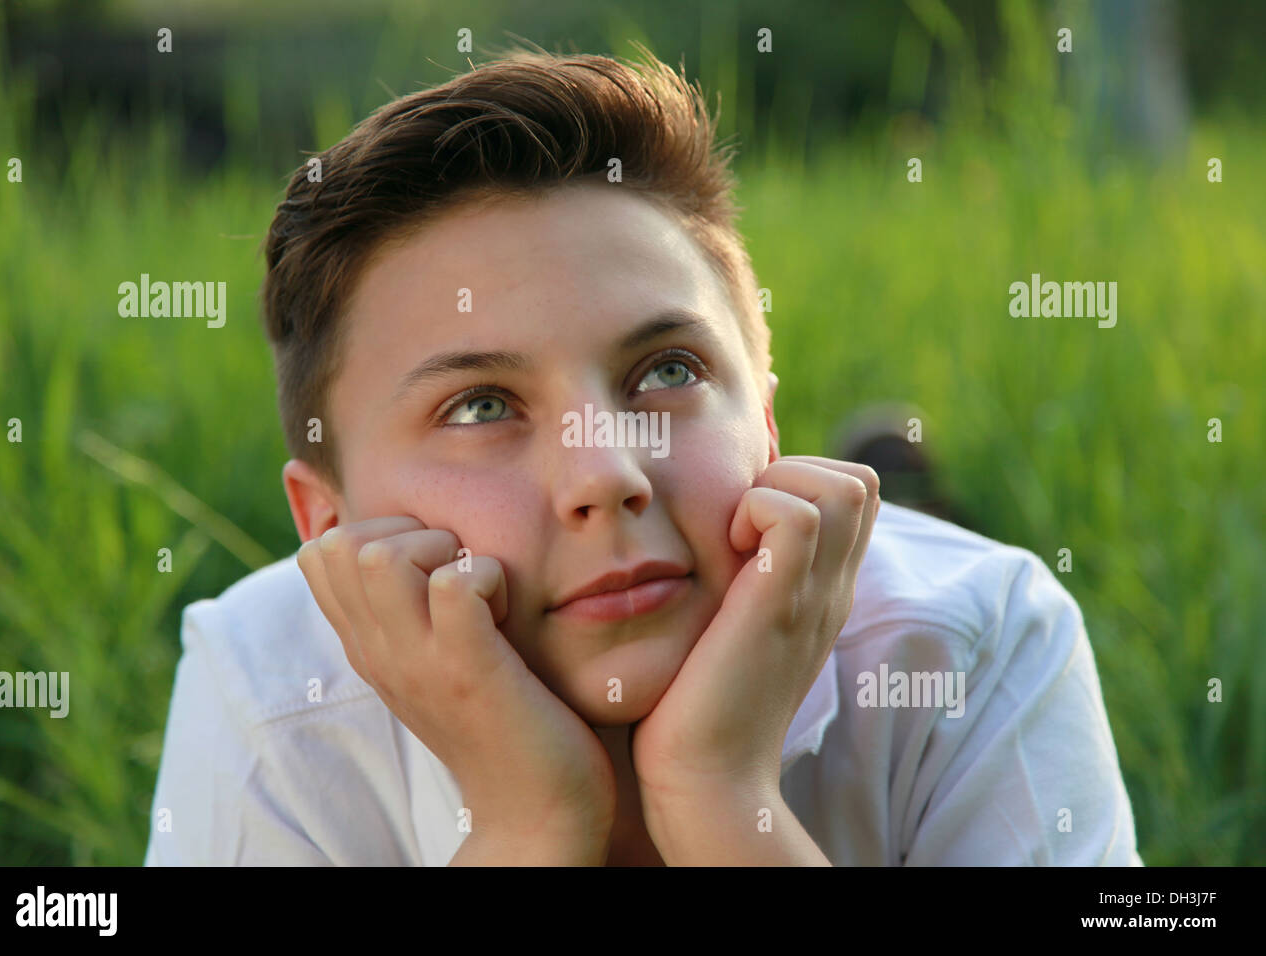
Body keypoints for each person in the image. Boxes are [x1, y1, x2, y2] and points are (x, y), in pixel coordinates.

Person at [145, 46, 1142, 866]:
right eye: (481, 403)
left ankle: (899, 479)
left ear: (764, 425)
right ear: (329, 522)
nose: (606, 473)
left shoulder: (974, 636)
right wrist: (530, 826)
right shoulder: (267, 690)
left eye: (666, 372)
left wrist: (718, 795)